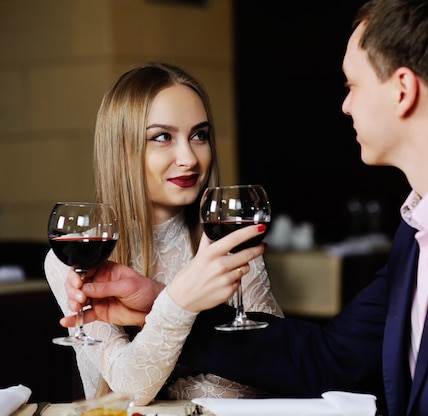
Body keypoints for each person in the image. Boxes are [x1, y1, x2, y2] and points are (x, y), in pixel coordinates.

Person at [62, 1, 428, 415]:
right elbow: (329, 358)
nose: (345, 104)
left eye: (353, 84)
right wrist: (163, 304)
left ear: (402, 90)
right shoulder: (421, 227)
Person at [45, 62, 283, 406]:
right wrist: (178, 302)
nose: (188, 158)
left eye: (199, 135)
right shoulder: (72, 258)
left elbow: (277, 365)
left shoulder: (228, 237)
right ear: (121, 148)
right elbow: (130, 391)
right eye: (162, 137)